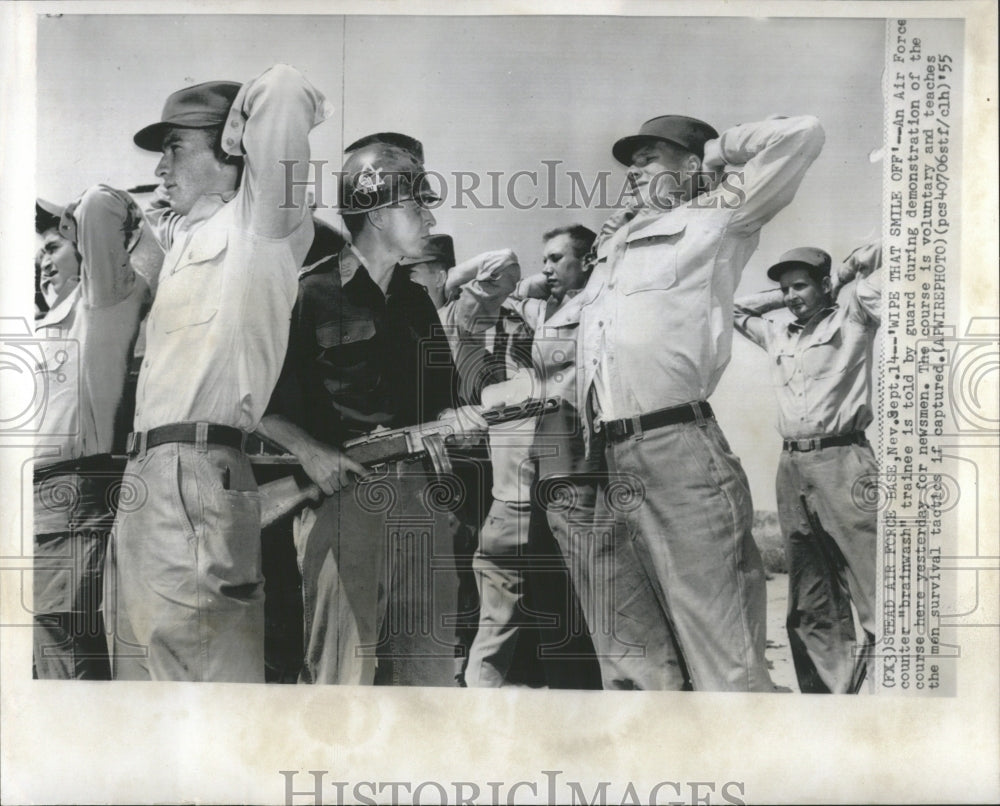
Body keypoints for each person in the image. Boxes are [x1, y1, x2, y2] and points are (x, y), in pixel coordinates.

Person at [578, 113, 825, 690]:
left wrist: (714, 153)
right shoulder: (614, 245)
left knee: (724, 658)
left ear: (691, 168)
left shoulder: (715, 217)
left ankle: (746, 777)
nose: (633, 172)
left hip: (676, 448)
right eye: (630, 165)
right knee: (634, 657)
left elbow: (800, 134)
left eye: (649, 160)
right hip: (606, 457)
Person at [105, 65, 331, 682]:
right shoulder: (184, 241)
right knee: (145, 679)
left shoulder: (262, 226)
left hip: (195, 471)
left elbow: (286, 87)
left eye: (174, 149)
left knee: (205, 684)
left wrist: (241, 134)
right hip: (146, 477)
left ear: (231, 150)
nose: (160, 169)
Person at [258, 136, 485, 685]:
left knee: (428, 676)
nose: (430, 217)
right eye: (417, 205)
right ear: (380, 214)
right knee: (344, 675)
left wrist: (461, 422)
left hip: (423, 502)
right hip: (343, 501)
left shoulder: (414, 302)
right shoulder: (307, 295)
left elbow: (446, 401)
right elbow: (259, 402)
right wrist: (311, 454)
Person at [734, 242, 882, 693]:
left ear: (824, 283)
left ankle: (889, 701)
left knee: (874, 586)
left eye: (801, 285)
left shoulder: (853, 315)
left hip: (845, 460)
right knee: (809, 598)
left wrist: (842, 276)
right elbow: (731, 307)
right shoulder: (778, 333)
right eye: (785, 288)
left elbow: (888, 255)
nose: (791, 294)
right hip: (791, 465)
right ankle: (830, 701)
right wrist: (786, 297)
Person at [464, 225, 603, 689]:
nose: (546, 267)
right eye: (543, 258)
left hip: (576, 481)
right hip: (525, 494)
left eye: (557, 258)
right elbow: (469, 297)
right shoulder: (535, 321)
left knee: (578, 610)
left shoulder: (598, 310)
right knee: (537, 616)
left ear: (586, 261)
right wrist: (526, 286)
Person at [33, 187, 148, 679]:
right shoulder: (43, 326)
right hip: (34, 506)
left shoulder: (103, 304)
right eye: (39, 250)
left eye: (56, 243)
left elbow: (101, 207)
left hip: (71, 497)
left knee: (63, 654)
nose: (43, 258)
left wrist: (73, 214)